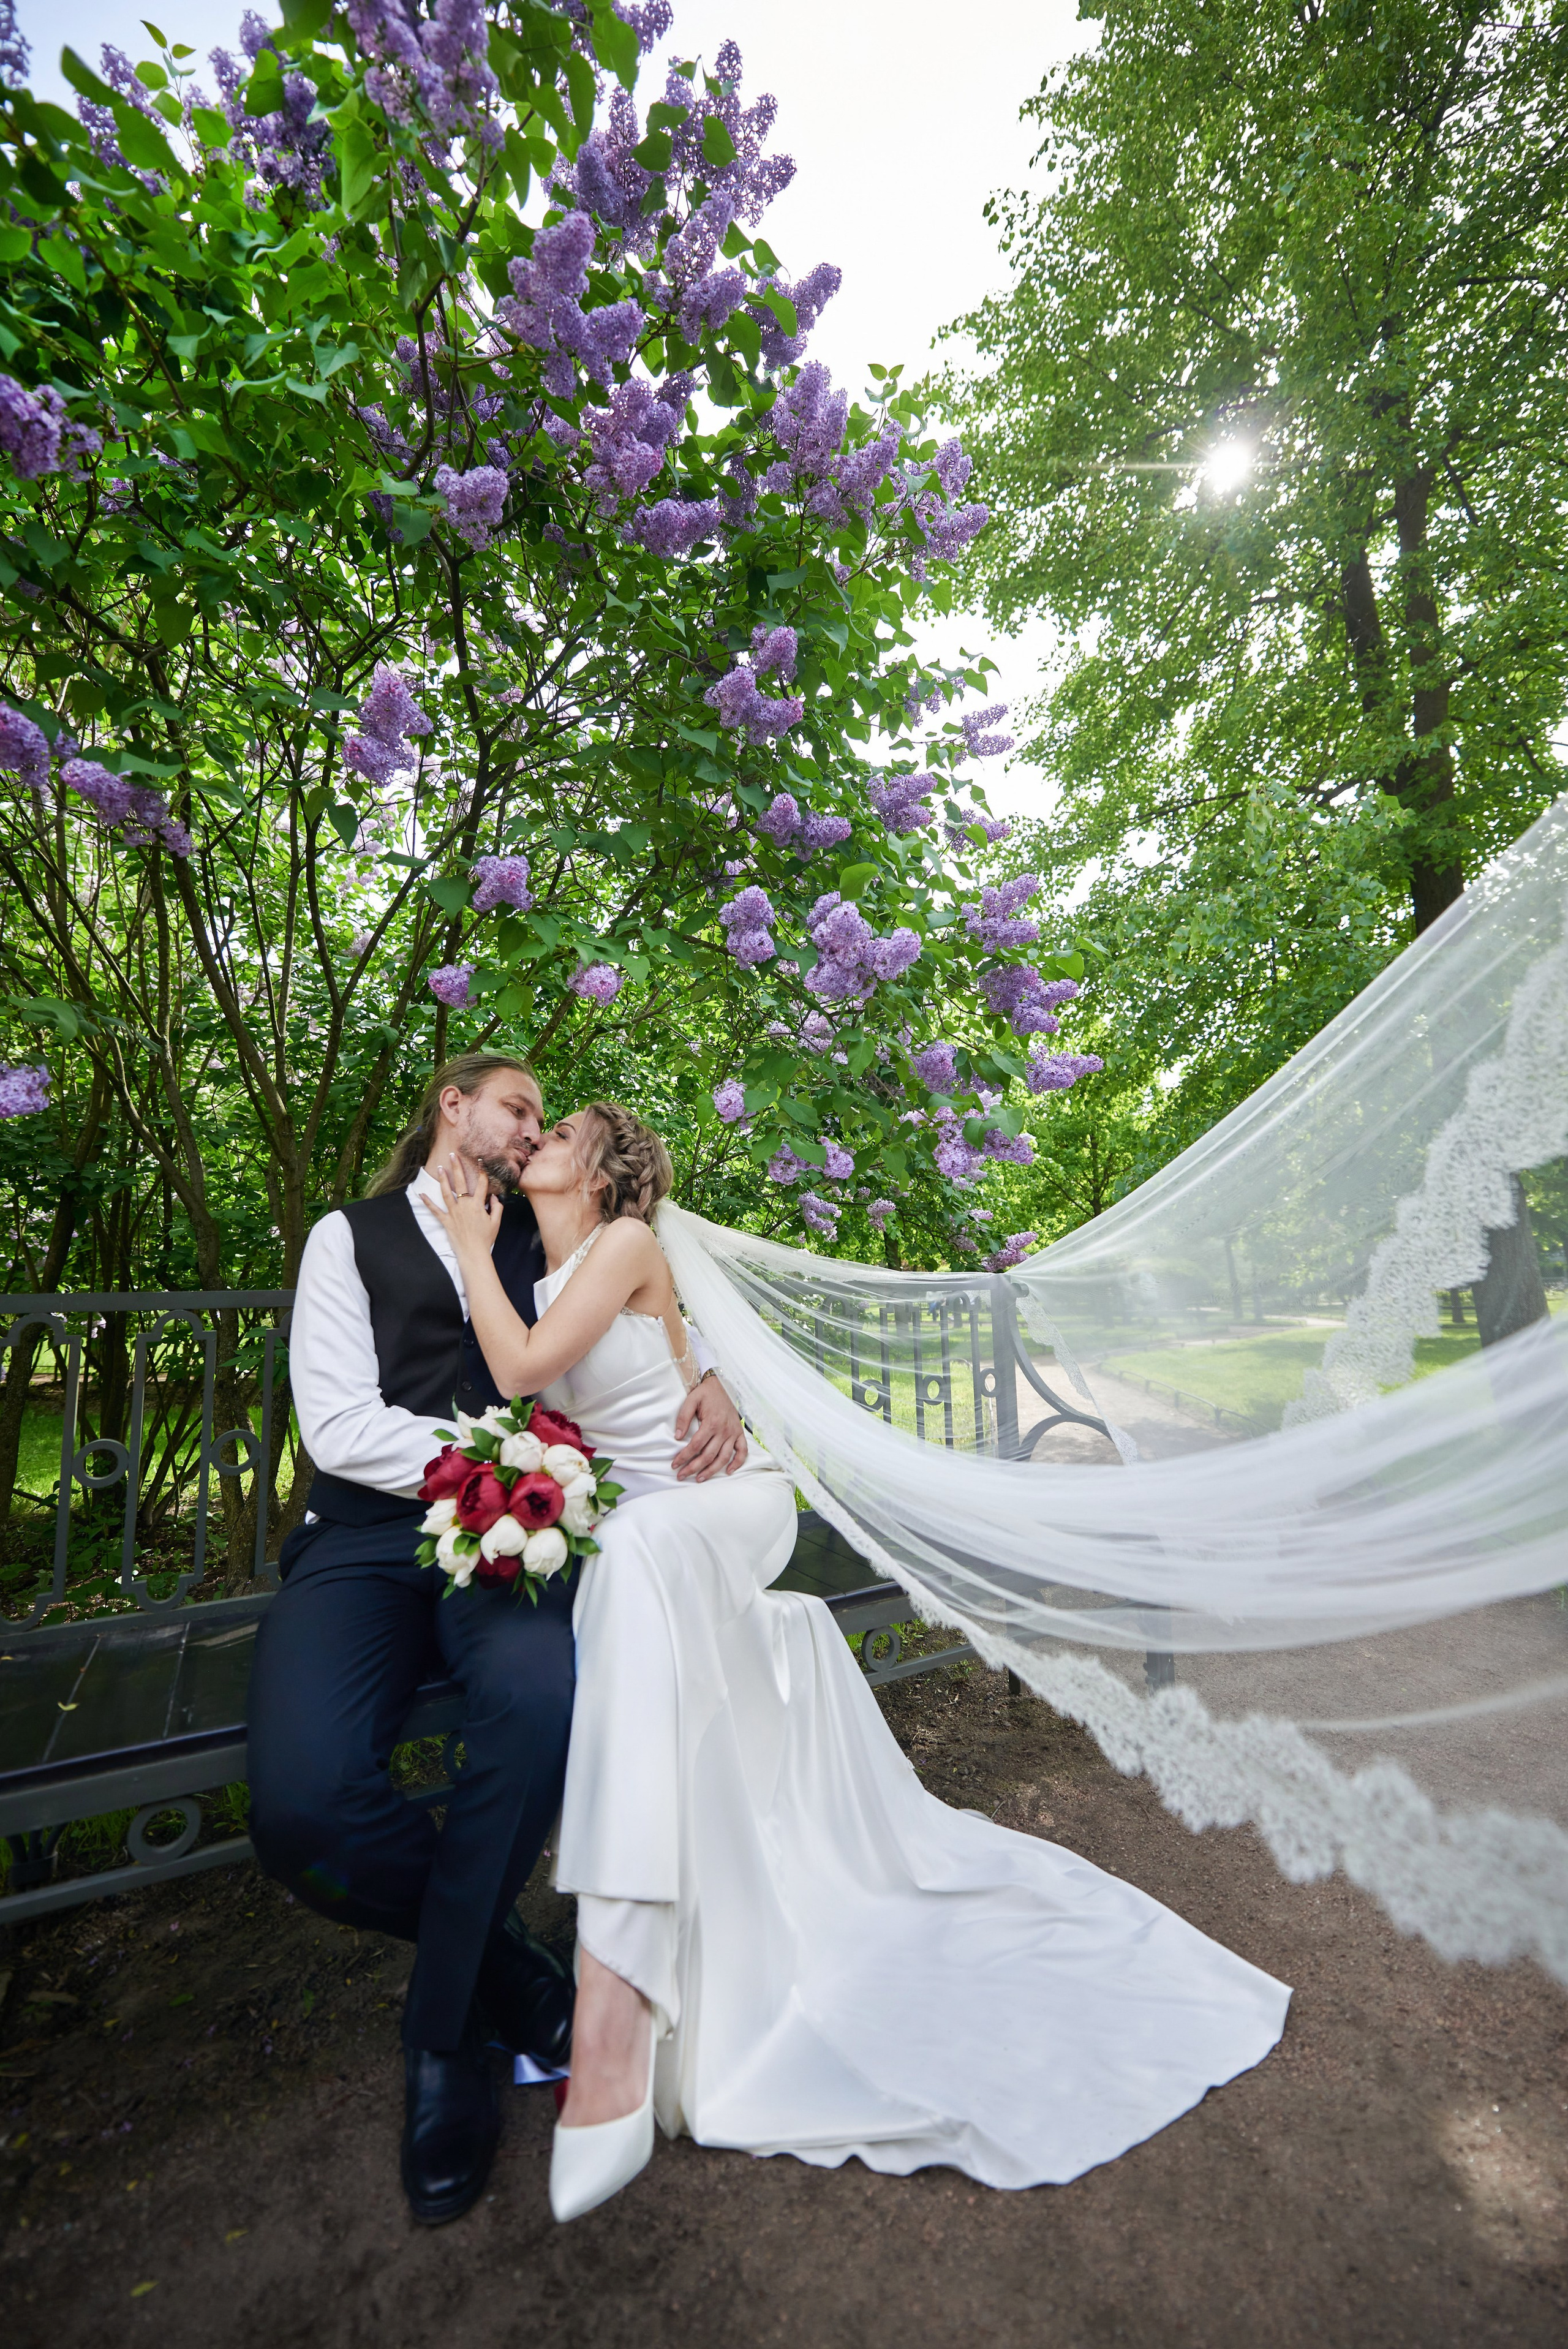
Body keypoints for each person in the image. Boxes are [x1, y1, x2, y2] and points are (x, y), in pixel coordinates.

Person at [429, 1099, 1292, 2224]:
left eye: (565, 1129)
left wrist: (697, 1371)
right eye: (533, 1125)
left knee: (638, 1545)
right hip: (651, 1539)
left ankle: (613, 2006)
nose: (540, 1135)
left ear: (601, 1174)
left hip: (726, 1509)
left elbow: (524, 1368)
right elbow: (542, 1377)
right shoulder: (532, 1268)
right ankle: (627, 1990)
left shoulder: (627, 1244)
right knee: (628, 1559)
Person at [245, 1054, 748, 2226]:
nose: (531, 1131)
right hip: (372, 1542)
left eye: (544, 1118)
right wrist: (496, 1461)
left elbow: (654, 1306)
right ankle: (516, 1975)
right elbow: (337, 1422)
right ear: (453, 1107)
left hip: (521, 1538)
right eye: (517, 1108)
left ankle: (441, 2040)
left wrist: (713, 1377)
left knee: (538, 1706)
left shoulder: (544, 1233)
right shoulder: (349, 1236)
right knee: (304, 1806)